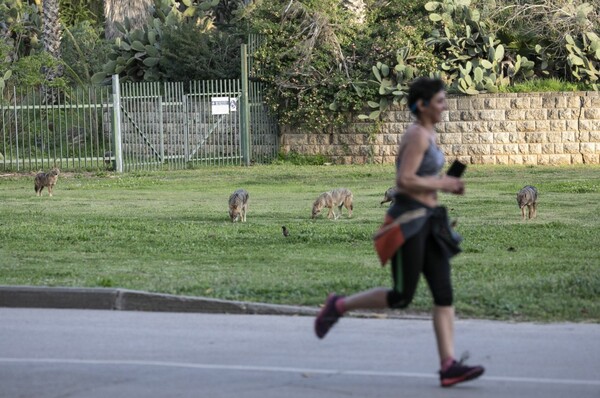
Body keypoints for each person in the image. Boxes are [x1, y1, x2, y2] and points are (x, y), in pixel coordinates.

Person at [314, 77, 484, 388]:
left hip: (430, 221)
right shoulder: (416, 135)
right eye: (440, 101)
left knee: (443, 293)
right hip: (409, 224)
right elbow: (404, 181)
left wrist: (447, 182)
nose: (444, 106)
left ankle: (448, 365)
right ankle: (338, 305)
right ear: (422, 105)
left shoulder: (429, 135)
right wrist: (443, 183)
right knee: (401, 296)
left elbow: (423, 177)